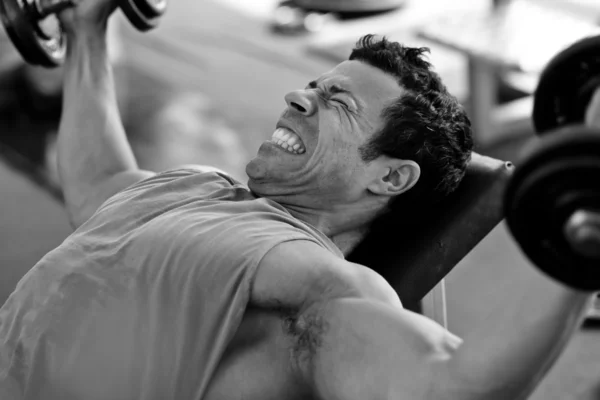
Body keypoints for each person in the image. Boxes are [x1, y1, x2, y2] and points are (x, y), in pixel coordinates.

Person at [0, 0, 596, 399]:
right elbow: (98, 181)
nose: (298, 96)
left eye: (337, 102)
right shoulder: (200, 186)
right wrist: (85, 32)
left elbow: (452, 386)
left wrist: (581, 231)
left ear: (389, 178)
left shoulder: (318, 282)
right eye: (315, 84)